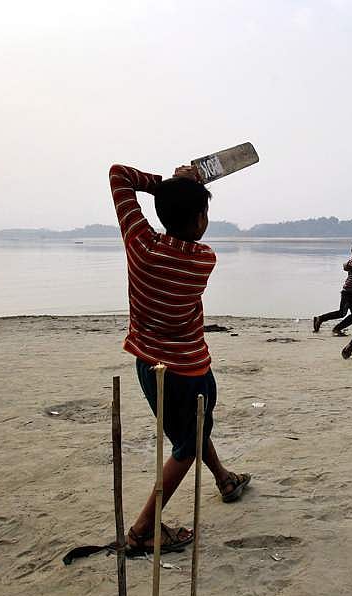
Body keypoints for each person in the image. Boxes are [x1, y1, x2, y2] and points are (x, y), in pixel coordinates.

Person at [110, 163, 250, 555]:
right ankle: (142, 530)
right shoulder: (203, 258)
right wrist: (180, 186)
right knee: (187, 445)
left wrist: (168, 185)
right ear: (201, 219)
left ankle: (224, 479)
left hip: (147, 364)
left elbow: (119, 175)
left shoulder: (140, 244)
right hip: (189, 370)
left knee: (192, 430)